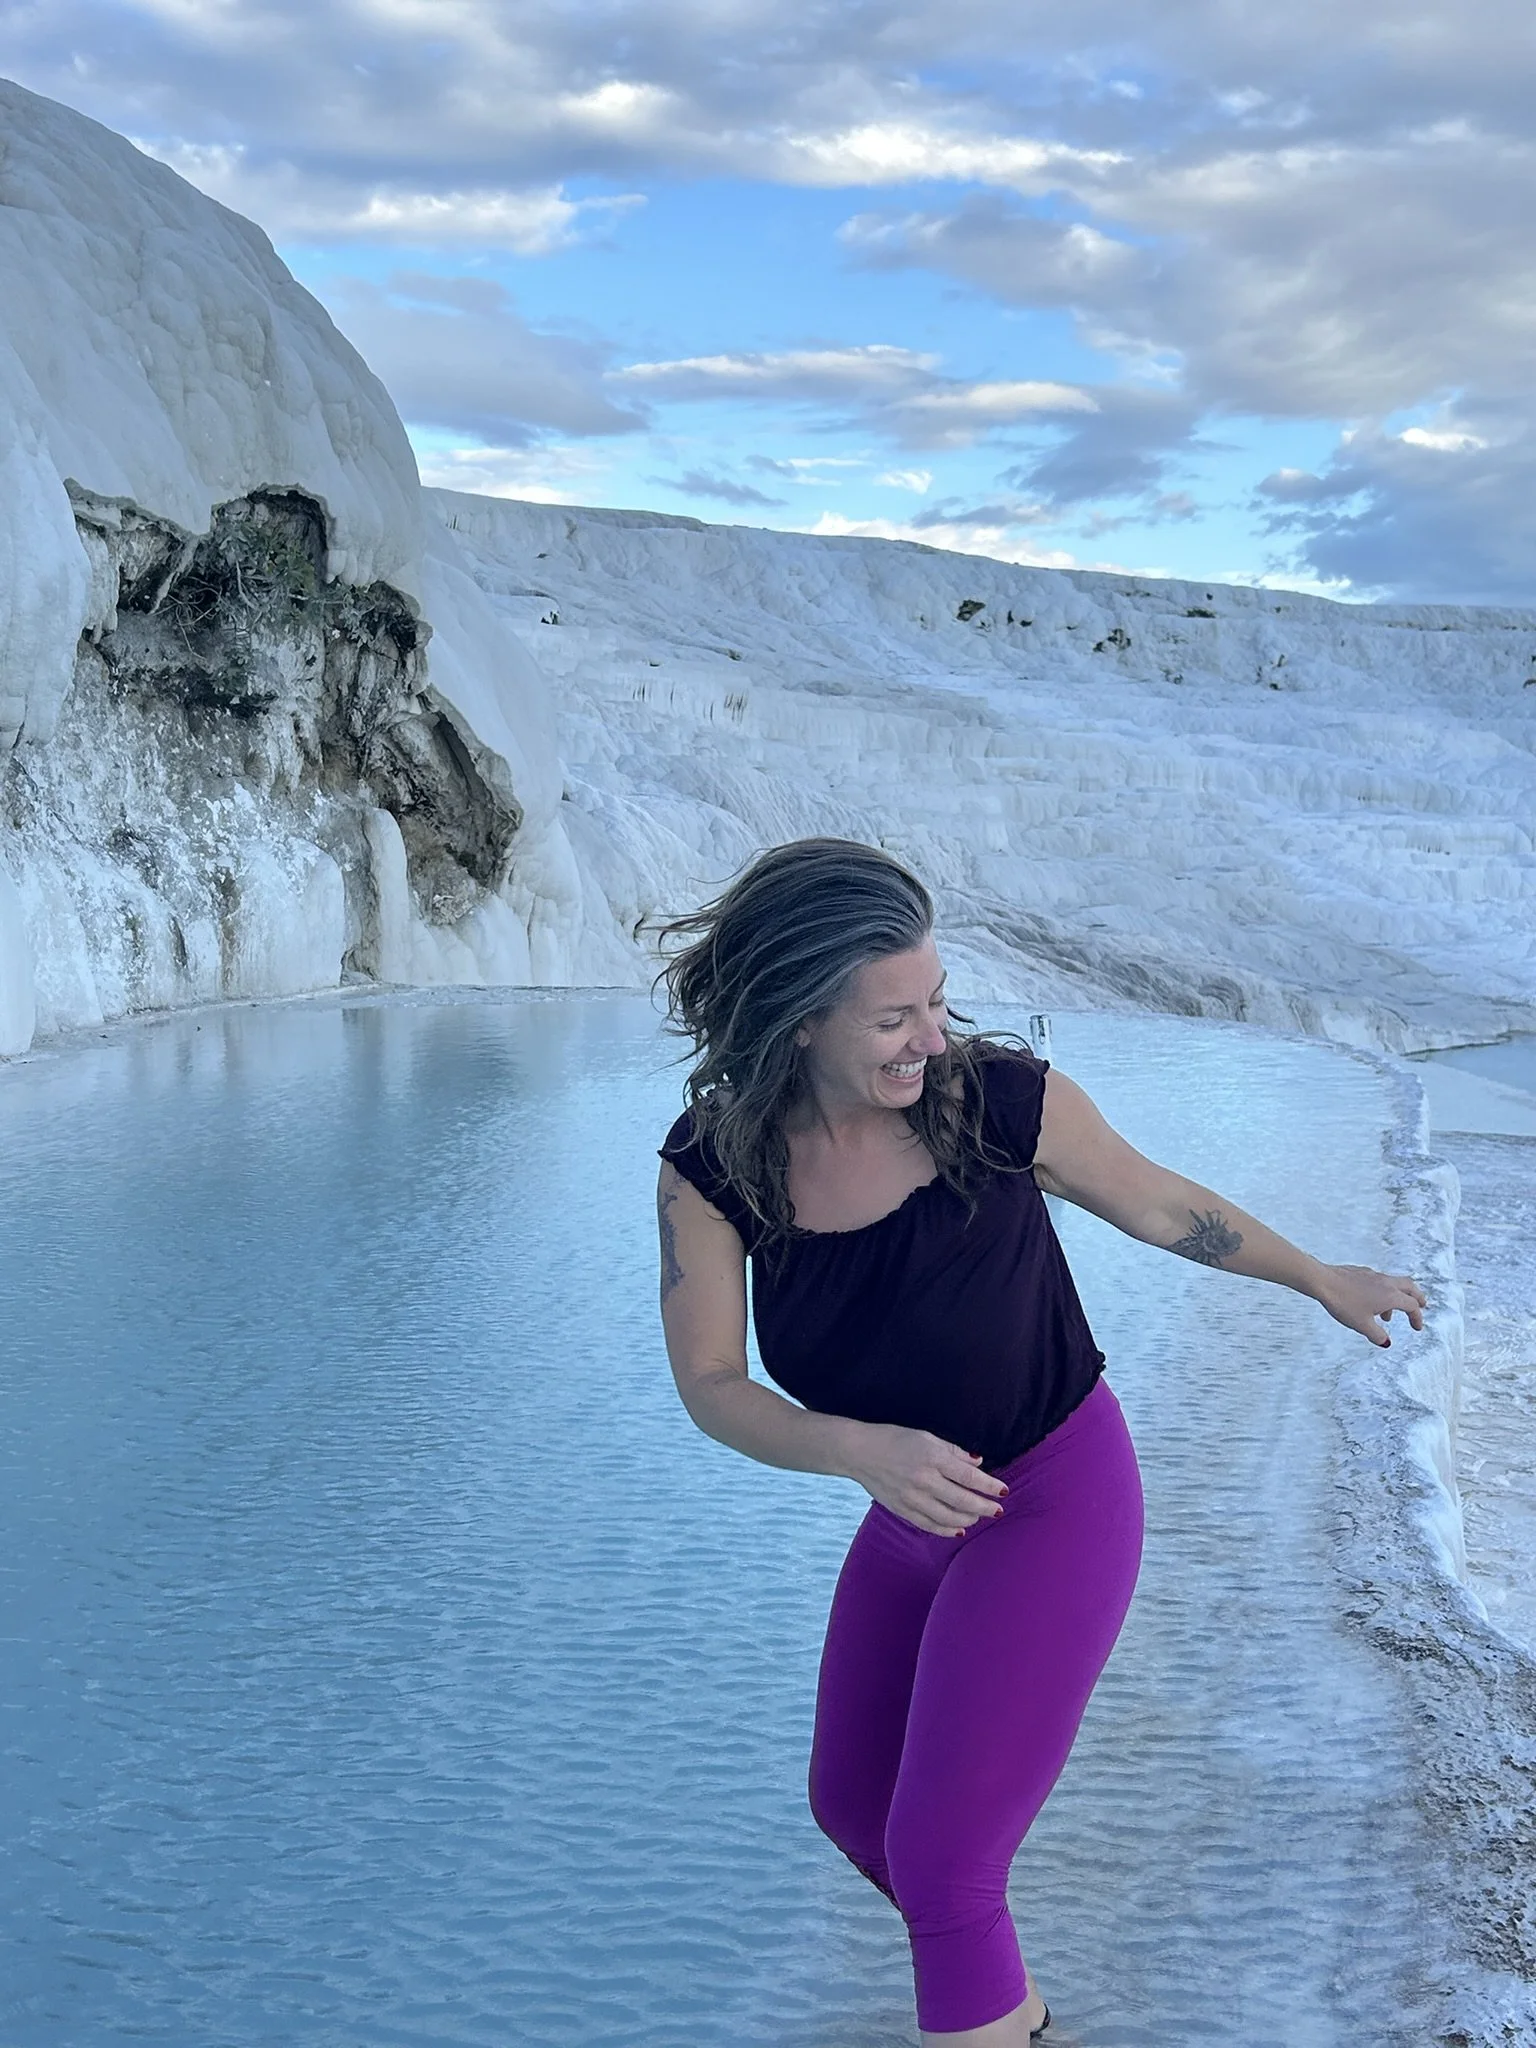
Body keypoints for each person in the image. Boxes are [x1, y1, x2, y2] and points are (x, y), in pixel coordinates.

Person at [652, 837, 1427, 2048]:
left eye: (938, 1001)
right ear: (798, 1019)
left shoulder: (997, 1102)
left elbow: (1162, 1204)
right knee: (855, 1806)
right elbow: (710, 1384)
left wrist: (1319, 1275)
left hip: (1058, 1493)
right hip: (913, 1507)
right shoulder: (715, 1164)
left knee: (943, 1859)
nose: (931, 1037)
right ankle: (1017, 2017)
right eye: (893, 1017)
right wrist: (856, 1449)